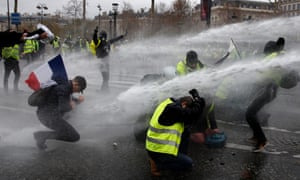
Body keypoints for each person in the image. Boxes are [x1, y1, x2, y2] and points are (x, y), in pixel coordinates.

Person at [245, 37, 299, 152]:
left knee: (249, 114)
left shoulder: (273, 59)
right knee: (253, 112)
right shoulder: (280, 58)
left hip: (268, 91)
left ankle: (262, 141)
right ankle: (256, 136)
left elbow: (262, 76)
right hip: (271, 91)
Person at [145, 89, 205, 176]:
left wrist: (196, 98)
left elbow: (194, 115)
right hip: (158, 150)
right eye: (187, 108)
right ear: (184, 104)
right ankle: (158, 164)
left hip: (155, 146)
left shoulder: (168, 103)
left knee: (186, 131)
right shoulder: (173, 109)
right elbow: (194, 113)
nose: (187, 111)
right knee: (188, 164)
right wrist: (196, 98)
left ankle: (175, 158)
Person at [33, 76, 87, 150]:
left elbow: (63, 98)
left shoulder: (64, 85)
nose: (78, 92)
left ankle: (45, 135)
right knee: (74, 136)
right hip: (49, 117)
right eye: (79, 90)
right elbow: (63, 107)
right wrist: (76, 102)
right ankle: (41, 135)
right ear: (76, 84)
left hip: (45, 114)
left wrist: (76, 101)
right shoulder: (64, 89)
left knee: (72, 114)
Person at [92, 26, 126, 92]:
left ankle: (105, 89)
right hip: (101, 62)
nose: (103, 37)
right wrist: (95, 32)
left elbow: (115, 39)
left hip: (106, 62)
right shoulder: (98, 42)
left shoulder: (108, 42)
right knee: (105, 78)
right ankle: (104, 90)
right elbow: (94, 39)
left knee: (107, 78)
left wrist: (122, 36)